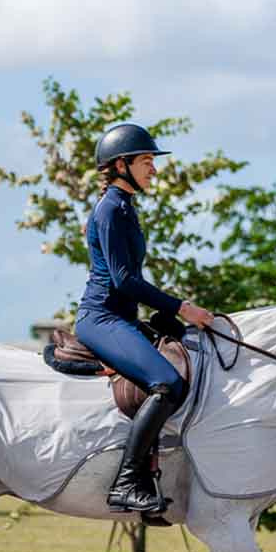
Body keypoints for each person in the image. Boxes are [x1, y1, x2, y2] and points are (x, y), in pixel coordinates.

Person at [75, 122, 214, 514]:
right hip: (101, 318)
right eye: (147, 161)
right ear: (122, 165)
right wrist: (180, 307)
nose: (154, 168)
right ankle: (128, 480)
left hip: (120, 316)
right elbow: (124, 280)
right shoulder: (111, 210)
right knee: (167, 384)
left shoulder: (123, 207)